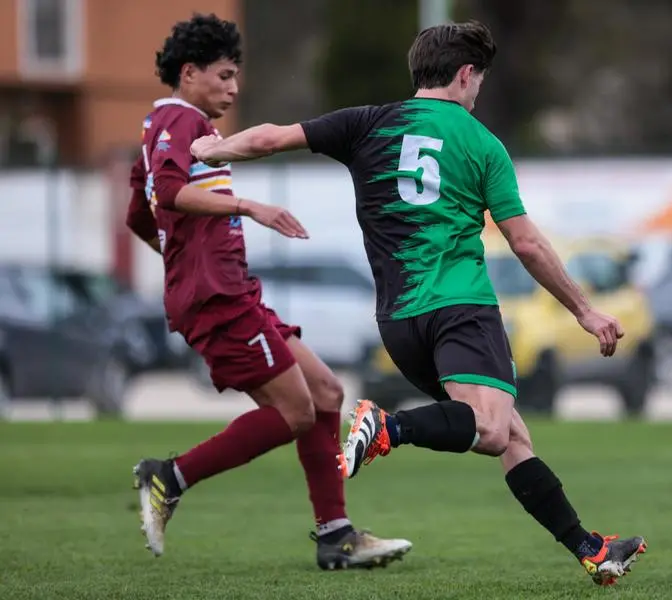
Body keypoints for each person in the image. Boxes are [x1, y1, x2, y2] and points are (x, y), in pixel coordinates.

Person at [189, 20, 646, 586]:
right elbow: (525, 242)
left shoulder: (366, 123)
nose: (477, 93)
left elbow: (268, 137)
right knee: (492, 429)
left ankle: (589, 547)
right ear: (464, 74)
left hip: (399, 324)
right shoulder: (481, 144)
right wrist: (584, 309)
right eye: (478, 81)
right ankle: (387, 426)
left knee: (510, 434)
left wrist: (215, 148)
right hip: (460, 309)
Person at [126, 13, 412, 569]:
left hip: (228, 289)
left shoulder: (163, 126)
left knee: (327, 393)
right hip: (219, 297)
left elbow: (140, 214)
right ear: (190, 74)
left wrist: (183, 256)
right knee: (297, 412)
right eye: (225, 75)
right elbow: (168, 193)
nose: (234, 88)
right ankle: (169, 476)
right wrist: (246, 207)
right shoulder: (181, 120)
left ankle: (337, 536)